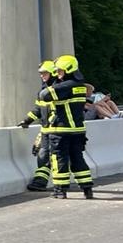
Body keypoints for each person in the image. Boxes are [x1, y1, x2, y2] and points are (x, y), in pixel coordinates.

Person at [39, 55, 94, 199]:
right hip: (77, 130)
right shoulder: (80, 86)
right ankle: (87, 188)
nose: (57, 74)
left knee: (59, 160)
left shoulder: (65, 86)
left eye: (60, 71)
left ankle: (59, 190)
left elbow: (44, 95)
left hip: (61, 130)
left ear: (68, 70)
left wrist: (54, 83)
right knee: (78, 158)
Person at [18, 60, 58, 192]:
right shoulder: (43, 91)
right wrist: (27, 120)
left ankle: (58, 185)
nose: (42, 76)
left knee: (54, 156)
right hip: (47, 130)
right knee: (43, 155)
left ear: (52, 73)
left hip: (59, 129)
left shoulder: (59, 89)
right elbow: (38, 110)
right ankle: (41, 182)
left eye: (44, 73)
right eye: (41, 74)